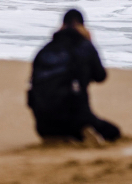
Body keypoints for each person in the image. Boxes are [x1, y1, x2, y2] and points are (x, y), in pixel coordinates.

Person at [27, 9, 120, 143]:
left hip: (42, 126)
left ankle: (59, 134)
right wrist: (89, 43)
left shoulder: (44, 51)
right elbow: (100, 76)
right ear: (82, 26)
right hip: (75, 119)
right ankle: (80, 131)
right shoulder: (84, 46)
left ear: (62, 25)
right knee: (113, 132)